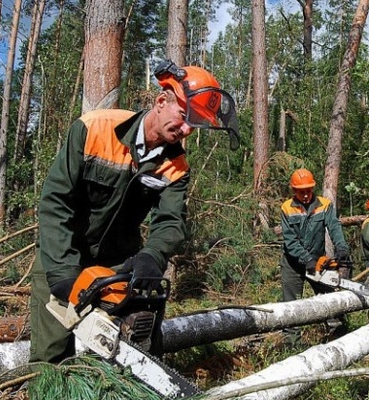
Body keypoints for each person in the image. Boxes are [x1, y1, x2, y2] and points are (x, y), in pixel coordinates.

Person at [29, 60, 239, 363]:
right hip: (62, 253)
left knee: (137, 346)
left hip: (119, 262)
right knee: (52, 357)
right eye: (184, 116)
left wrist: (151, 257)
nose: (186, 129)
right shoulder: (95, 129)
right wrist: (63, 274)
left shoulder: (176, 166)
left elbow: (170, 221)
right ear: (160, 101)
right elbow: (55, 201)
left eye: (195, 124)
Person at [279, 168, 350, 334]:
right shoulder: (287, 208)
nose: (305, 195)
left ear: (313, 188)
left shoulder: (324, 205)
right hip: (293, 264)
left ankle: (337, 335)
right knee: (292, 305)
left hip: (316, 260)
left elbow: (334, 226)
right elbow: (290, 241)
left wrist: (341, 247)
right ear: (294, 190)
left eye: (308, 190)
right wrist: (307, 259)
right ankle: (292, 343)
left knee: (328, 296)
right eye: (301, 191)